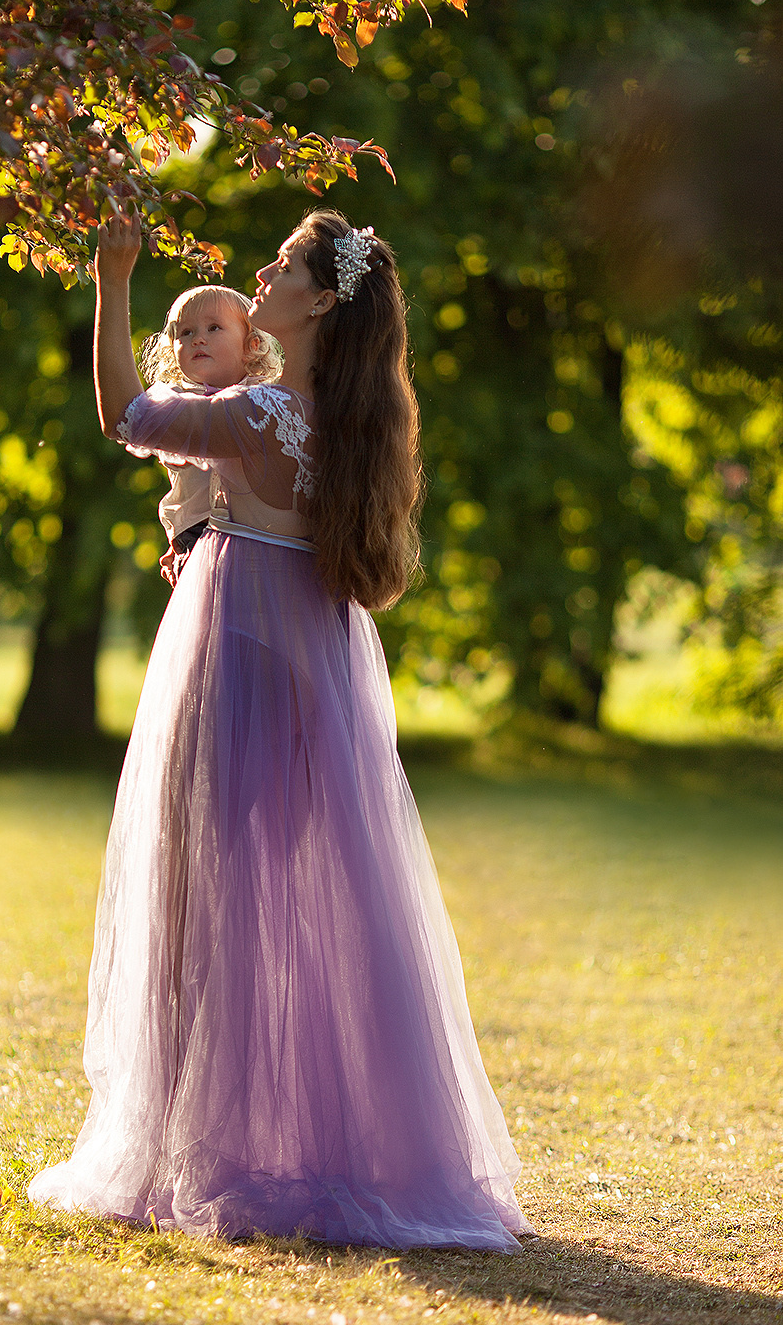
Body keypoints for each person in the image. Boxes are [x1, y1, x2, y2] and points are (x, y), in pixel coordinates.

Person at [28, 206, 529, 1251]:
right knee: (311, 909)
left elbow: (126, 412)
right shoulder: (355, 424)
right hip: (321, 660)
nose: (261, 271)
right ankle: (329, 1144)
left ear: (315, 303)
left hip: (242, 643)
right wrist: (207, 524)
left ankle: (181, 1145)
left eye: (284, 264)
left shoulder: (257, 415)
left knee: (192, 900)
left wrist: (114, 279)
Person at [134, 284, 283, 586]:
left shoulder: (266, 401)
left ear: (252, 344)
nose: (198, 339)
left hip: (255, 538)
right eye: (185, 333)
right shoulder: (176, 406)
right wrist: (176, 540)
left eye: (214, 328)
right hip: (193, 535)